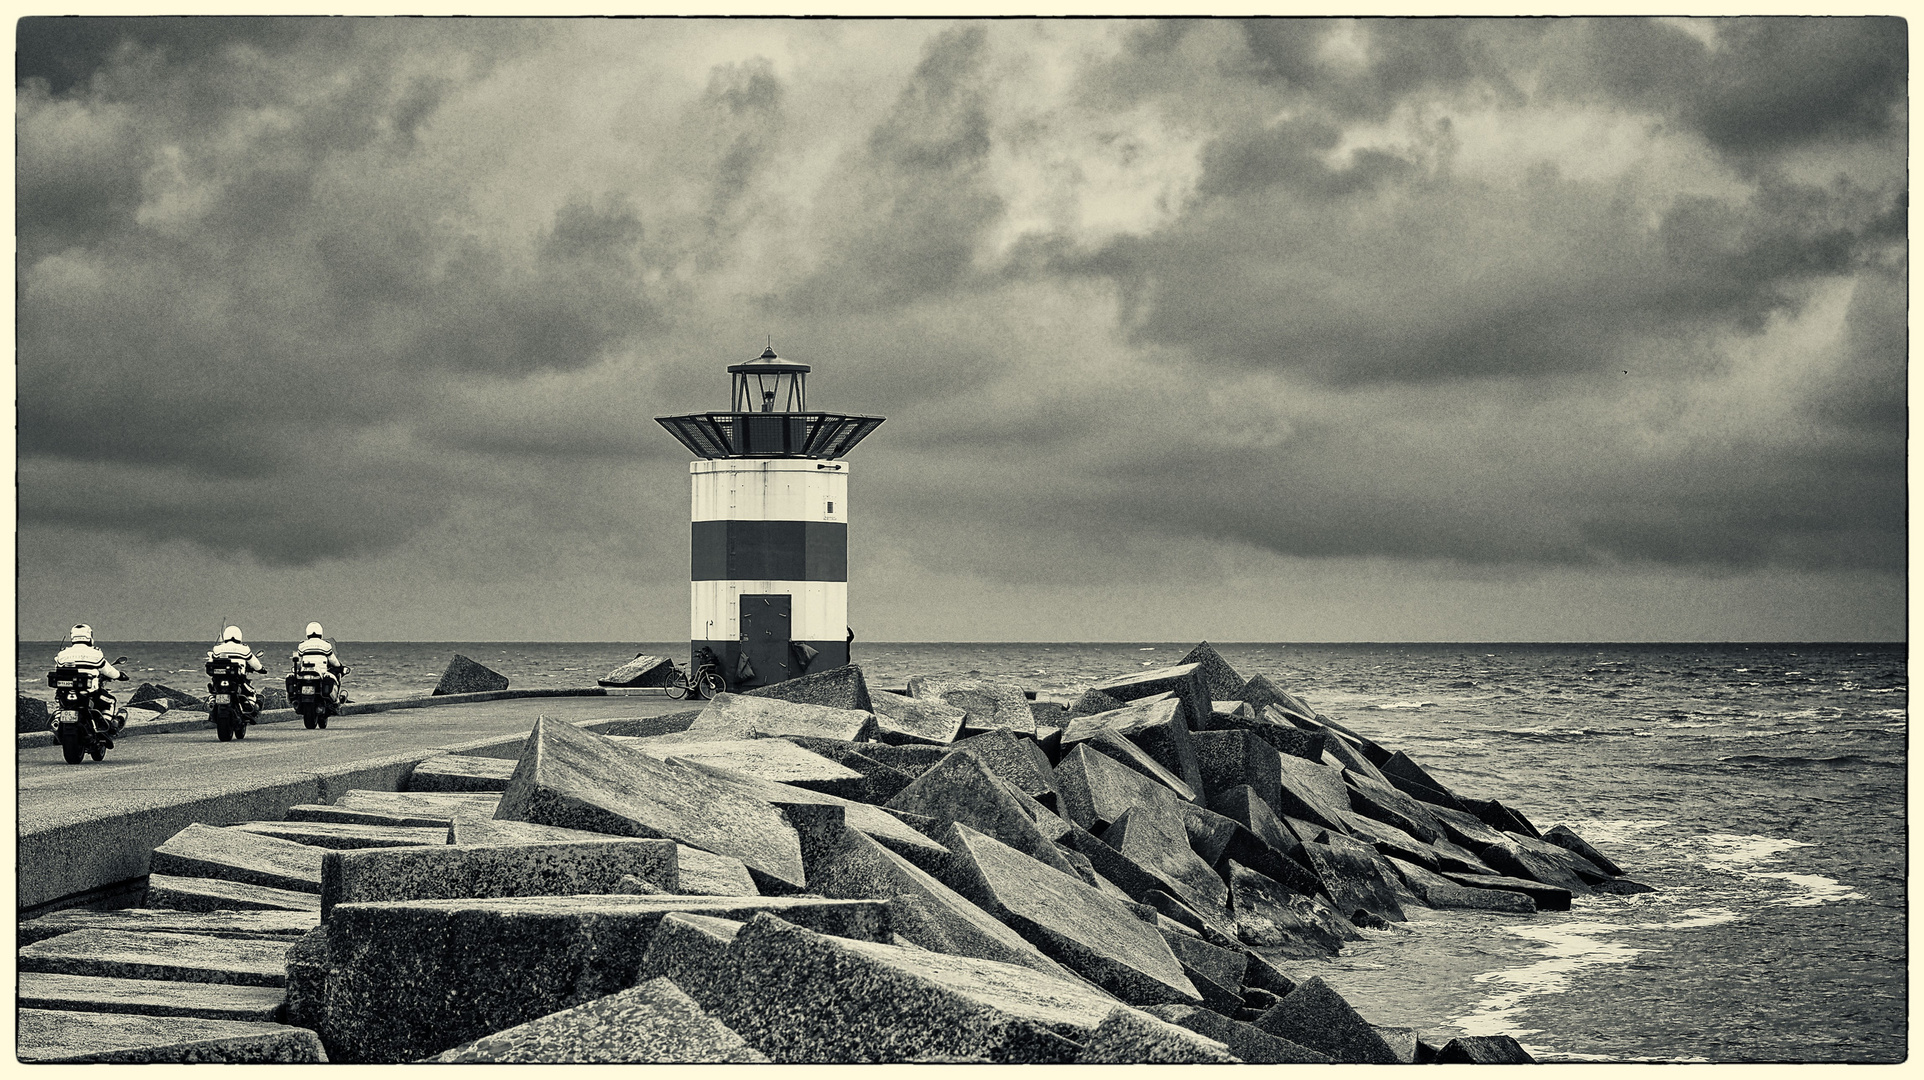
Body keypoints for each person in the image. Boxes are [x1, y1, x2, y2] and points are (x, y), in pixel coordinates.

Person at [52, 624, 128, 733]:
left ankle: (57, 720)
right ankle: (105, 725)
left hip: (65, 692)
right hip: (88, 693)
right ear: (89, 636)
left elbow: (57, 669)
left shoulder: (62, 654)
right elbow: (108, 670)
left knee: (61, 704)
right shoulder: (95, 653)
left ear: (72, 636)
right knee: (110, 701)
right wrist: (120, 675)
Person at [206, 626, 266, 717]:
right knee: (251, 693)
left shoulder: (217, 648)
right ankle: (248, 706)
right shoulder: (244, 649)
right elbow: (254, 663)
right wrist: (261, 669)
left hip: (219, 678)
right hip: (237, 679)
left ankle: (212, 701)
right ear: (239, 636)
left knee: (214, 692)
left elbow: (210, 661)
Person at [287, 622, 350, 707]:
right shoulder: (326, 645)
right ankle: (335, 700)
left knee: (292, 677)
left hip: (304, 673)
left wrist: (297, 669)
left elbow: (298, 661)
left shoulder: (302, 645)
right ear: (320, 633)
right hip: (321, 673)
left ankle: (294, 699)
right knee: (334, 676)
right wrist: (340, 667)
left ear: (307, 633)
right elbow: (334, 661)